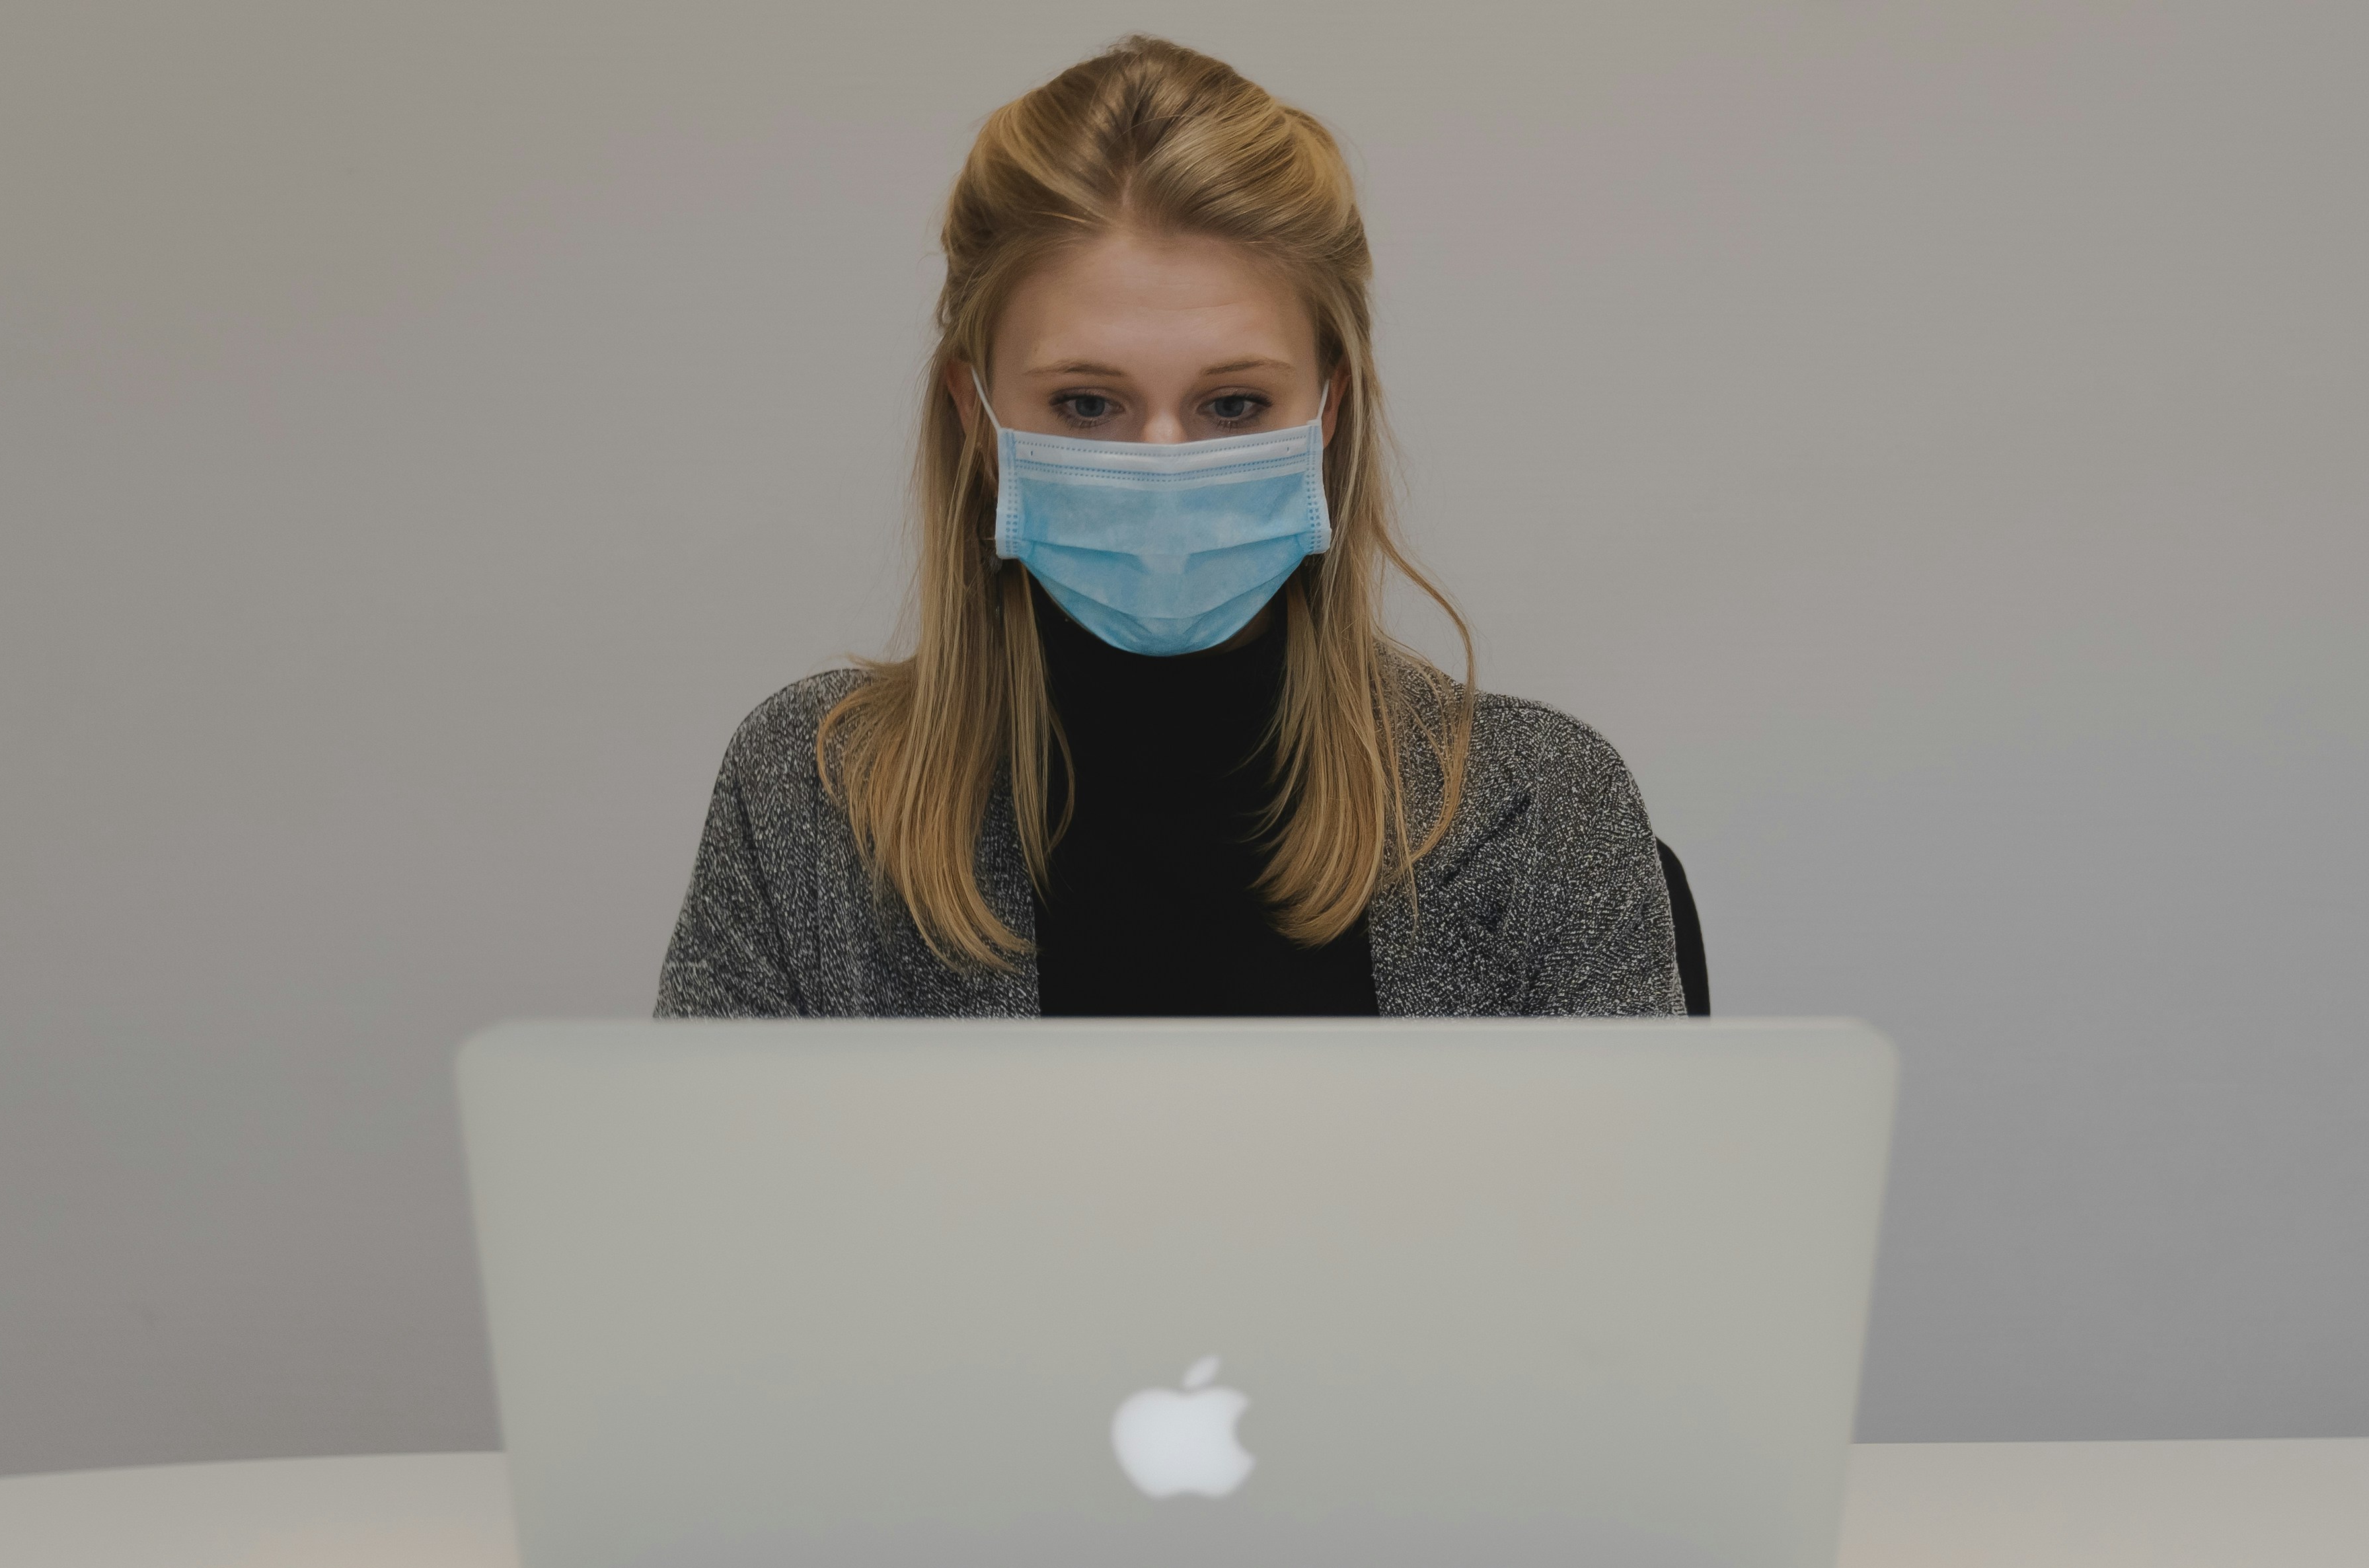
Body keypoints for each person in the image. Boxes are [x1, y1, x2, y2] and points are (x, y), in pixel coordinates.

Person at [656, 36, 1684, 1018]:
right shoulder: (813, 798)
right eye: (1085, 405)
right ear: (977, 417)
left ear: (1328, 414)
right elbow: (698, 1192)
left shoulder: (1540, 814)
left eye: (1231, 405)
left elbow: (1647, 1196)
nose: (1160, 461)